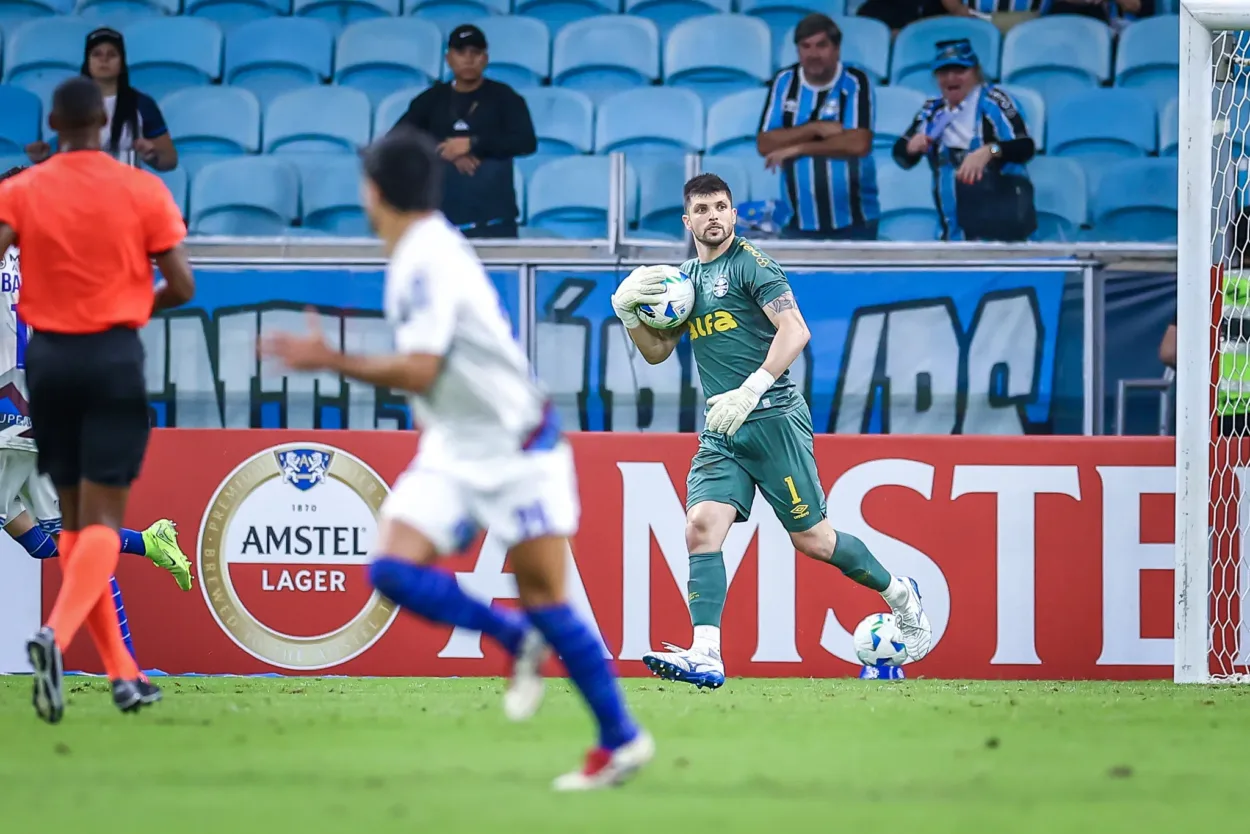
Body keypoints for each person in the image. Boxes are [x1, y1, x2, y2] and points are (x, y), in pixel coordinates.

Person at [259, 127, 652, 790]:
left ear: (374, 192)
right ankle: (512, 636)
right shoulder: (419, 249)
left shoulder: (426, 257)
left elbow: (420, 368)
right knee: (390, 569)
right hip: (456, 447)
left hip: (517, 446)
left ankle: (621, 738)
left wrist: (330, 360)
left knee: (547, 599)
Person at [613, 173, 931, 689]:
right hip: (723, 429)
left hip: (772, 418)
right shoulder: (684, 282)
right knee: (700, 527)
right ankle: (706, 653)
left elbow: (795, 330)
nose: (713, 216)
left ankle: (901, 595)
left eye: (721, 206)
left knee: (814, 540)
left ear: (733, 214)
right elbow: (657, 353)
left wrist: (751, 388)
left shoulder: (752, 263)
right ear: (687, 220)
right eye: (702, 209)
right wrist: (628, 314)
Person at [0, 77, 196, 723]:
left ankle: (123, 675)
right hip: (111, 356)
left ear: (53, 123)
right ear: (106, 126)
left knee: (73, 529)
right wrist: (131, 305)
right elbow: (182, 285)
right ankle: (56, 637)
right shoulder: (142, 188)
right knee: (96, 527)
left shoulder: (21, 191)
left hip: (47, 368)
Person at [389, 24, 535, 238]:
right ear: (448, 58)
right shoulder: (430, 99)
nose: (468, 59)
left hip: (495, 222)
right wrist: (444, 150)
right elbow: (396, 141)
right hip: (440, 223)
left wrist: (473, 145)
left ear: (485, 58)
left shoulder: (505, 97)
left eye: (475, 52)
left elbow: (526, 142)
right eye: (461, 52)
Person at [893, 39, 1036, 242]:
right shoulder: (932, 109)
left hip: (1002, 232)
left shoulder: (995, 101)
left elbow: (1026, 147)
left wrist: (990, 151)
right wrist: (910, 148)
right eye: (943, 72)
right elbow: (901, 157)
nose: (951, 78)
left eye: (960, 70)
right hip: (951, 233)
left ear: (976, 72)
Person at [757, 14, 879, 241]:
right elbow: (765, 143)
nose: (813, 54)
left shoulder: (855, 81)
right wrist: (814, 128)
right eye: (806, 46)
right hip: (797, 223)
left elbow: (858, 143)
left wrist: (797, 148)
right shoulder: (784, 82)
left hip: (856, 222)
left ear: (837, 49)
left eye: (821, 45)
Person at [25, 28, 178, 171]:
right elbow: (67, 157)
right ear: (87, 61)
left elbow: (170, 160)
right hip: (79, 186)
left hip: (124, 187)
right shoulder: (72, 103)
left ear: (122, 63)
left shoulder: (142, 104)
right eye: (97, 54)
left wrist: (151, 156)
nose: (104, 59)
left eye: (112, 54)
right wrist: (45, 159)